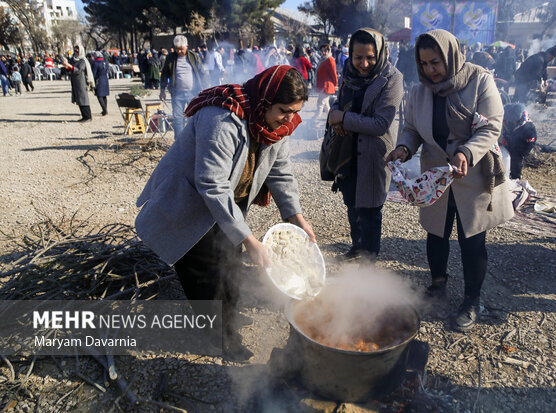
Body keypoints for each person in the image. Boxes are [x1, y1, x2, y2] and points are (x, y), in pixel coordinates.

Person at [135, 65, 314, 361]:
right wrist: (249, 238)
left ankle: (227, 315)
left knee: (230, 264)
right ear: (265, 99)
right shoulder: (221, 118)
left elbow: (280, 173)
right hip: (189, 204)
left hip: (226, 205)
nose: (290, 119)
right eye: (284, 110)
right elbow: (211, 183)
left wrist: (296, 216)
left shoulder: (274, 126)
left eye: (295, 112)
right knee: (205, 274)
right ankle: (221, 338)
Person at [387, 29, 514, 332]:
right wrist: (404, 148)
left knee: (472, 240)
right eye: (425, 63)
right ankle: (438, 285)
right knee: (436, 233)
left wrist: (467, 153)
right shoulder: (419, 92)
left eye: (436, 62)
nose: (431, 70)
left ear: (452, 55)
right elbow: (412, 128)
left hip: (471, 173)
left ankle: (472, 300)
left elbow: (491, 126)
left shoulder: (479, 80)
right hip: (435, 174)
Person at [327, 28, 404, 262]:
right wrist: (334, 112)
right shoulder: (348, 73)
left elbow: (381, 123)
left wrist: (342, 118)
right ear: (350, 54)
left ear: (380, 53)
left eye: (370, 57)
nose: (364, 63)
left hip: (373, 152)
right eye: (358, 57)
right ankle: (357, 247)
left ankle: (369, 260)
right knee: (351, 202)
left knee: (371, 209)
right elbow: (339, 104)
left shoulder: (392, 78)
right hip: (348, 150)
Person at [160, 35, 207, 138]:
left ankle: (193, 141)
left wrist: (205, 88)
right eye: (177, 49)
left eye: (181, 49)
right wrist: (162, 90)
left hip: (193, 93)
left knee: (193, 118)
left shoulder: (194, 57)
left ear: (187, 46)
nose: (179, 51)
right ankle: (179, 143)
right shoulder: (170, 58)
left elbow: (202, 73)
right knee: (177, 119)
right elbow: (164, 75)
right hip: (177, 94)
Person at [501, 103, 537, 179]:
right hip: (509, 139)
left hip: (521, 145)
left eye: (512, 121)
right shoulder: (507, 113)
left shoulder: (528, 129)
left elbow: (527, 146)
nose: (508, 122)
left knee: (516, 158)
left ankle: (515, 177)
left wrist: (511, 145)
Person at [62, 45, 95, 122]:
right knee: (78, 99)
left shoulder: (82, 60)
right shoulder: (74, 60)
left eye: (77, 51)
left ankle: (88, 116)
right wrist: (66, 66)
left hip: (81, 81)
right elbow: (71, 69)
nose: (76, 52)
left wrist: (69, 66)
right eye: (75, 50)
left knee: (83, 98)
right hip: (75, 81)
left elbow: (79, 70)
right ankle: (84, 116)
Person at [314, 43, 338, 119]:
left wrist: (336, 84)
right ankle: (332, 120)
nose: (323, 52)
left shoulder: (330, 60)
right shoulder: (322, 60)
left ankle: (314, 120)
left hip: (327, 86)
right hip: (323, 86)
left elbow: (334, 74)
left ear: (329, 50)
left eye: (325, 50)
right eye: (321, 51)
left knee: (320, 104)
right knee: (326, 105)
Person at [91, 51, 110, 116]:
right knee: (104, 95)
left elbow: (94, 73)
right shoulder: (106, 62)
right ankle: (105, 109)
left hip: (99, 79)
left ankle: (104, 110)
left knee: (99, 95)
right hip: (105, 79)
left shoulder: (95, 63)